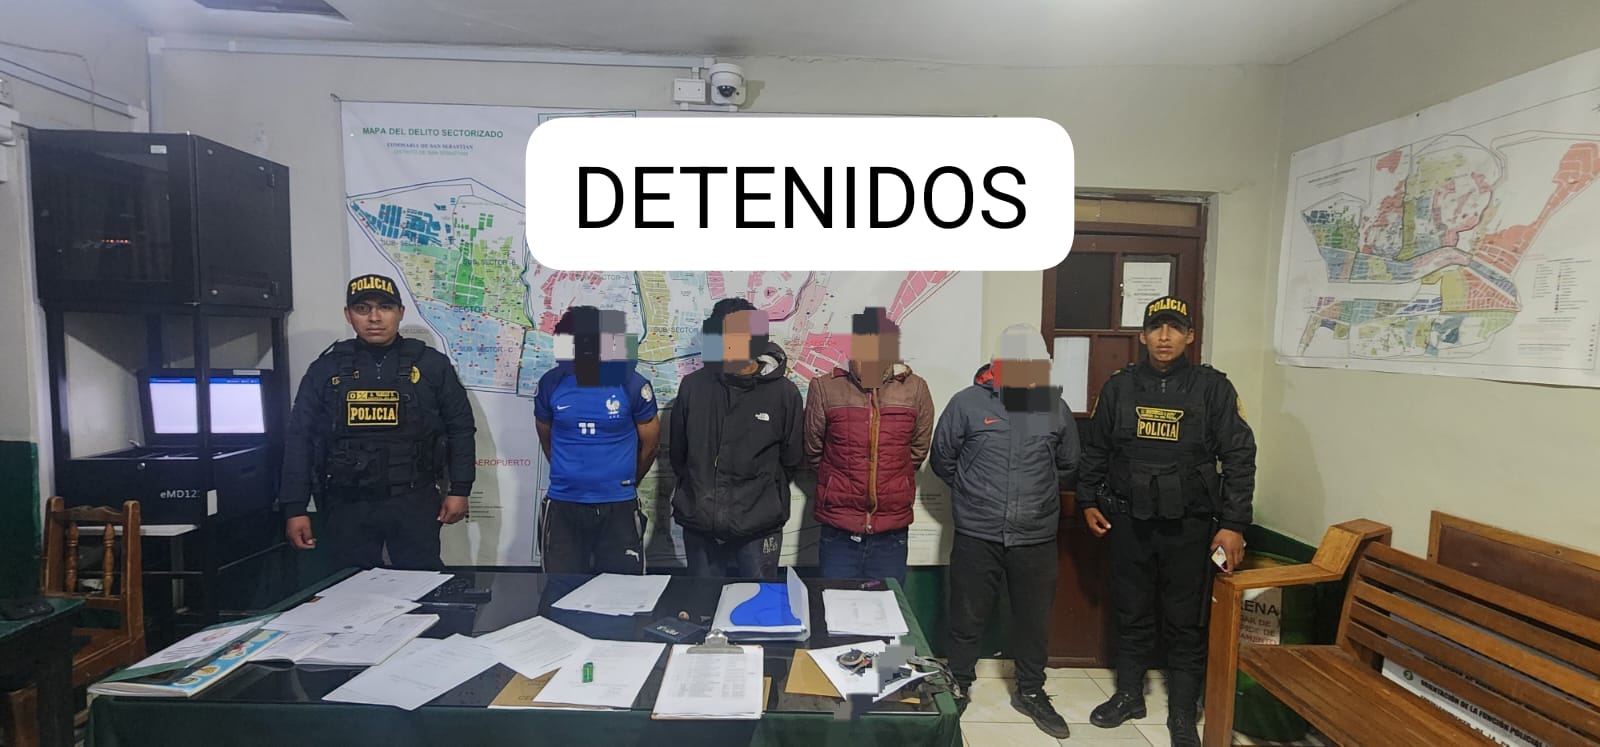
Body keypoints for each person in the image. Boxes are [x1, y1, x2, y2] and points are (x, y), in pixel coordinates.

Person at [1077, 296, 1258, 747]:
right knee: (1131, 613)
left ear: (1189, 336)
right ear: (1142, 335)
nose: (1164, 337)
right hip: (1129, 520)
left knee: (1185, 622)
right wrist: (1087, 499)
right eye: (1156, 327)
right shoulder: (1119, 387)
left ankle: (1181, 713)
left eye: (1174, 328)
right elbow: (1096, 448)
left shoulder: (1213, 388)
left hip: (1190, 526)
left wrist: (1233, 523)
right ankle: (1128, 696)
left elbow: (1239, 456)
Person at [931, 323, 1079, 739]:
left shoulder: (1054, 407)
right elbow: (943, 459)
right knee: (967, 614)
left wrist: (1035, 500)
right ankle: (959, 683)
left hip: (1035, 536)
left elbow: (1068, 464)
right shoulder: (967, 403)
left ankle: (1030, 691)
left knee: (1033, 620)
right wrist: (975, 495)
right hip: (978, 532)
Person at [278, 273, 476, 572]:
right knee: (349, 585)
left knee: (421, 581)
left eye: (385, 307)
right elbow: (300, 438)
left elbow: (460, 428)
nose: (374, 318)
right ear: (348, 315)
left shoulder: (431, 365)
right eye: (362, 309)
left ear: (400, 313)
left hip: (414, 498)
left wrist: (460, 489)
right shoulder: (326, 368)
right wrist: (295, 507)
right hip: (347, 502)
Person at [669, 298, 804, 579]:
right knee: (703, 601)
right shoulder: (693, 387)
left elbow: (791, 459)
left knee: (758, 602)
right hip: (700, 523)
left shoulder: (784, 393)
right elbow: (679, 455)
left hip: (759, 526)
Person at [804, 306, 934, 585]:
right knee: (835, 606)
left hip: (891, 532)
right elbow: (814, 451)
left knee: (887, 606)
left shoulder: (915, 389)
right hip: (839, 529)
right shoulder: (825, 387)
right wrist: (839, 481)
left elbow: (917, 451)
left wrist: (890, 477)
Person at [533, 305, 661, 575]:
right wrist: (573, 476)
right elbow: (547, 438)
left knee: (622, 591)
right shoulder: (550, 384)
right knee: (560, 589)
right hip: (564, 505)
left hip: (619, 507)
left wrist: (624, 482)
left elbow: (650, 446)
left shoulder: (632, 384)